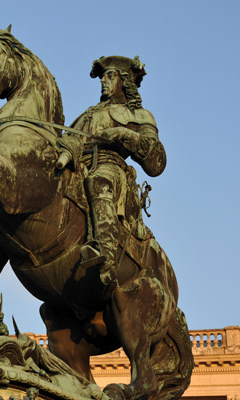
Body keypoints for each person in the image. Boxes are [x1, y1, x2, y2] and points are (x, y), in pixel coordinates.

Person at [56, 55, 166, 289]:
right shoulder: (88, 114)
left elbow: (157, 162)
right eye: (102, 77)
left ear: (125, 81)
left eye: (110, 76)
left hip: (110, 166)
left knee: (99, 181)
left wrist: (124, 134)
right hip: (77, 165)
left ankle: (105, 253)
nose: (103, 81)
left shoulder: (139, 115)